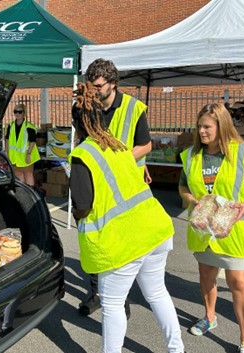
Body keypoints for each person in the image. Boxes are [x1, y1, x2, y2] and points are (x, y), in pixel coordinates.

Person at [69, 82, 185, 353]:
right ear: (100, 116)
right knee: (157, 294)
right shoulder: (119, 145)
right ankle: (177, 349)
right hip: (155, 230)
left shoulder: (82, 155)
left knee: (111, 305)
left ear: (78, 124)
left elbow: (83, 206)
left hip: (123, 243)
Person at [178, 103, 244, 353]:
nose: (201, 131)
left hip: (234, 231)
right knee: (206, 274)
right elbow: (183, 186)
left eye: (207, 126)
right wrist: (189, 199)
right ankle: (209, 317)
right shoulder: (191, 156)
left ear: (222, 126)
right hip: (204, 230)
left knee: (238, 282)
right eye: (199, 126)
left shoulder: (242, 153)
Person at [77, 58, 153, 315]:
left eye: (98, 86)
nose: (94, 91)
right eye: (92, 86)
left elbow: (146, 145)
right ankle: (97, 292)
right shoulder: (91, 105)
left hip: (125, 184)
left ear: (113, 83)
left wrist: (120, 161)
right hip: (99, 184)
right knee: (98, 237)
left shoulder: (134, 108)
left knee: (122, 242)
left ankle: (121, 298)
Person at [5, 103, 40, 186]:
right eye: (15, 111)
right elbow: (7, 139)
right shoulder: (11, 125)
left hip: (26, 156)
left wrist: (28, 154)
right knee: (18, 174)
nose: (17, 114)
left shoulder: (29, 126)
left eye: (19, 112)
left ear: (24, 113)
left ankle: (31, 193)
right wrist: (6, 152)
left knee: (28, 174)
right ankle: (23, 193)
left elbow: (32, 141)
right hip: (15, 157)